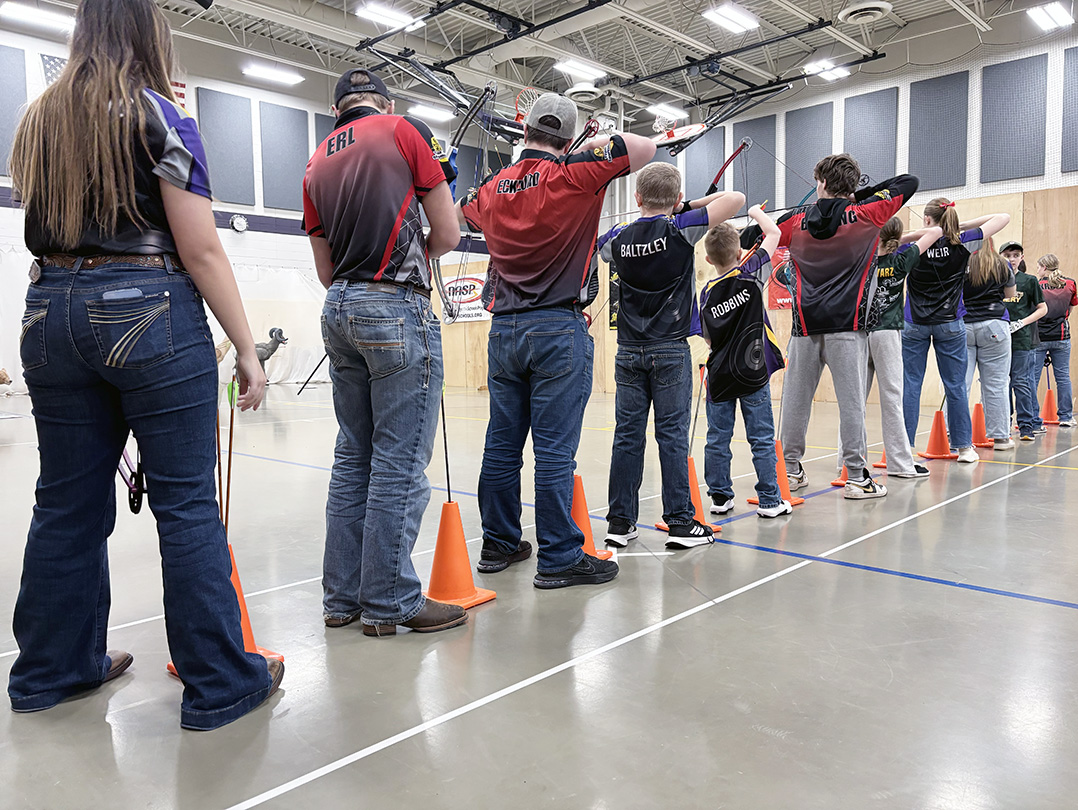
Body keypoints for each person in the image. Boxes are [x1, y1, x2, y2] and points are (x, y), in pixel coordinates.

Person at [8, 0, 281, 730]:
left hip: (47, 309)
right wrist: (248, 347)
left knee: (64, 501)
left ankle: (50, 671)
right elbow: (198, 248)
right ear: (147, 32)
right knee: (185, 502)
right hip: (146, 308)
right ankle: (221, 682)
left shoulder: (37, 120)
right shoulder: (159, 114)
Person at [457, 93, 655, 588]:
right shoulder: (574, 173)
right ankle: (560, 557)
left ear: (523, 131)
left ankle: (499, 543)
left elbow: (460, 212)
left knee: (502, 446)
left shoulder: (492, 190)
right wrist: (581, 152)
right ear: (568, 138)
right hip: (557, 330)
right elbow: (645, 147)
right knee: (553, 453)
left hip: (504, 331)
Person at [302, 68, 464, 636]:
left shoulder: (315, 161)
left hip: (340, 307)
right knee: (399, 459)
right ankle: (390, 600)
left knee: (354, 456)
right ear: (384, 102)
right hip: (395, 303)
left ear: (338, 109)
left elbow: (325, 270)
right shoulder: (404, 130)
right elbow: (448, 233)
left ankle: (341, 598)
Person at [597, 163, 745, 548]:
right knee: (672, 436)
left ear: (637, 198)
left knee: (627, 437)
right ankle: (680, 521)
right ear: (677, 200)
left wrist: (672, 206)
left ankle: (619, 523)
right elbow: (737, 200)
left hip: (628, 351)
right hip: (669, 350)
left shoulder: (619, 237)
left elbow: (601, 247)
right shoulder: (680, 228)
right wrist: (686, 207)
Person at [763, 154, 918, 499]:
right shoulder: (865, 214)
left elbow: (751, 235)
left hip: (804, 326)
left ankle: (788, 469)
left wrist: (820, 206)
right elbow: (908, 182)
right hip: (847, 328)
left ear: (820, 183)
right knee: (851, 404)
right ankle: (858, 478)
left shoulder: (798, 220)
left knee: (795, 401)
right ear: (850, 187)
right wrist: (855, 199)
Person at [699, 205, 790, 518]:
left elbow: (709, 339)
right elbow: (774, 234)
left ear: (709, 260)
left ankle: (720, 497)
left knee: (717, 438)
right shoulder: (752, 274)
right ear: (740, 252)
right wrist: (754, 213)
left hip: (720, 375)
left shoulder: (706, 293)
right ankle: (769, 501)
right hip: (752, 372)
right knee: (761, 438)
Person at [903, 202, 1010, 462]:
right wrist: (955, 227)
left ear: (927, 219)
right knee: (956, 386)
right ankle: (964, 448)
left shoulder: (912, 247)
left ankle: (903, 448)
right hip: (950, 322)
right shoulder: (962, 242)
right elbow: (1002, 216)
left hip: (914, 322)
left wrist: (923, 233)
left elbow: (885, 239)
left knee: (910, 385)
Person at [851, 218, 942, 476]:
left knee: (855, 400)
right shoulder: (901, 261)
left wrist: (878, 241)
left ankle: (848, 464)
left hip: (859, 333)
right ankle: (900, 464)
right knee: (892, 397)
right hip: (887, 332)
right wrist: (898, 240)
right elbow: (935, 231)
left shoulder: (861, 261)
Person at [959, 239, 1017, 449]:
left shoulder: (960, 262)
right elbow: (1010, 294)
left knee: (959, 384)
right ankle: (1001, 437)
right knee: (997, 384)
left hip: (964, 325)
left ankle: (954, 436)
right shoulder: (1002, 264)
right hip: (995, 324)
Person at [1003, 244, 1048, 441]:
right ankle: (1003, 424)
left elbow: (1042, 308)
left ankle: (1026, 426)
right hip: (999, 341)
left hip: (1022, 341)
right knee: (1001, 383)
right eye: (1007, 255)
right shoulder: (996, 280)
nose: (1012, 259)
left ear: (1021, 257)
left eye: (1015, 255)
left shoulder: (1029, 281)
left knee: (1021, 382)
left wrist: (1022, 323)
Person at [1035, 254, 1077, 427]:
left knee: (1032, 378)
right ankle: (1066, 417)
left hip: (1039, 337)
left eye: (1038, 267)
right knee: (1063, 377)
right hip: (1061, 336)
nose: (1037, 270)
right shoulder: (1070, 283)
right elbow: (1071, 308)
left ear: (1044, 267)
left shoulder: (1036, 285)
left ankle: (1032, 419)